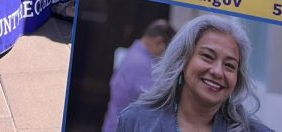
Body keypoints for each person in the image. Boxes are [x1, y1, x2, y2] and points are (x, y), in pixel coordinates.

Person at [117, 14, 273, 132]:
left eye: (229, 65)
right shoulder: (136, 122)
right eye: (207, 56)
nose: (218, 72)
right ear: (182, 60)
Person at [102, 20, 176, 132]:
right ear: (158, 42)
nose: (164, 56)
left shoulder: (134, 53)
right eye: (166, 51)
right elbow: (157, 103)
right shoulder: (142, 63)